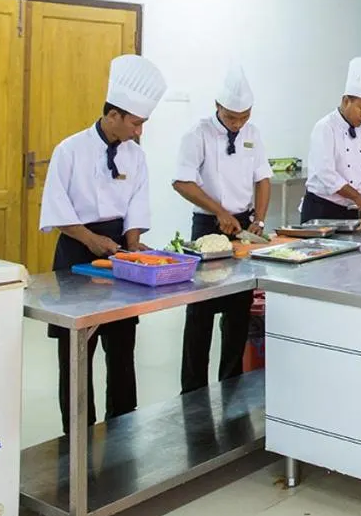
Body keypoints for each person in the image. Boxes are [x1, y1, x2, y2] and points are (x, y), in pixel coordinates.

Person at [39, 53, 167, 433]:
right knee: (76, 352)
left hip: (118, 252)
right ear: (113, 115)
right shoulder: (70, 150)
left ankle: (122, 425)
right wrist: (89, 238)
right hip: (77, 251)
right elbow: (56, 207)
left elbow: (136, 204)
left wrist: (132, 244)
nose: (139, 131)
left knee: (122, 345)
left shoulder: (136, 156)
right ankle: (77, 432)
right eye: (136, 122)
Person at [174, 64, 272, 394]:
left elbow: (263, 178)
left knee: (238, 310)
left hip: (242, 227)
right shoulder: (198, 134)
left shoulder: (253, 134)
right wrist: (218, 211)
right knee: (201, 311)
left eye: (243, 117)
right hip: (207, 227)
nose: (238, 123)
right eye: (232, 117)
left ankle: (231, 387)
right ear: (217, 107)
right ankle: (192, 392)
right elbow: (181, 181)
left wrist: (257, 220)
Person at [301, 57, 361, 222]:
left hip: (350, 211)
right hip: (322, 210)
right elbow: (326, 173)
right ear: (346, 101)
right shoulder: (325, 127)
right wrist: (358, 198)